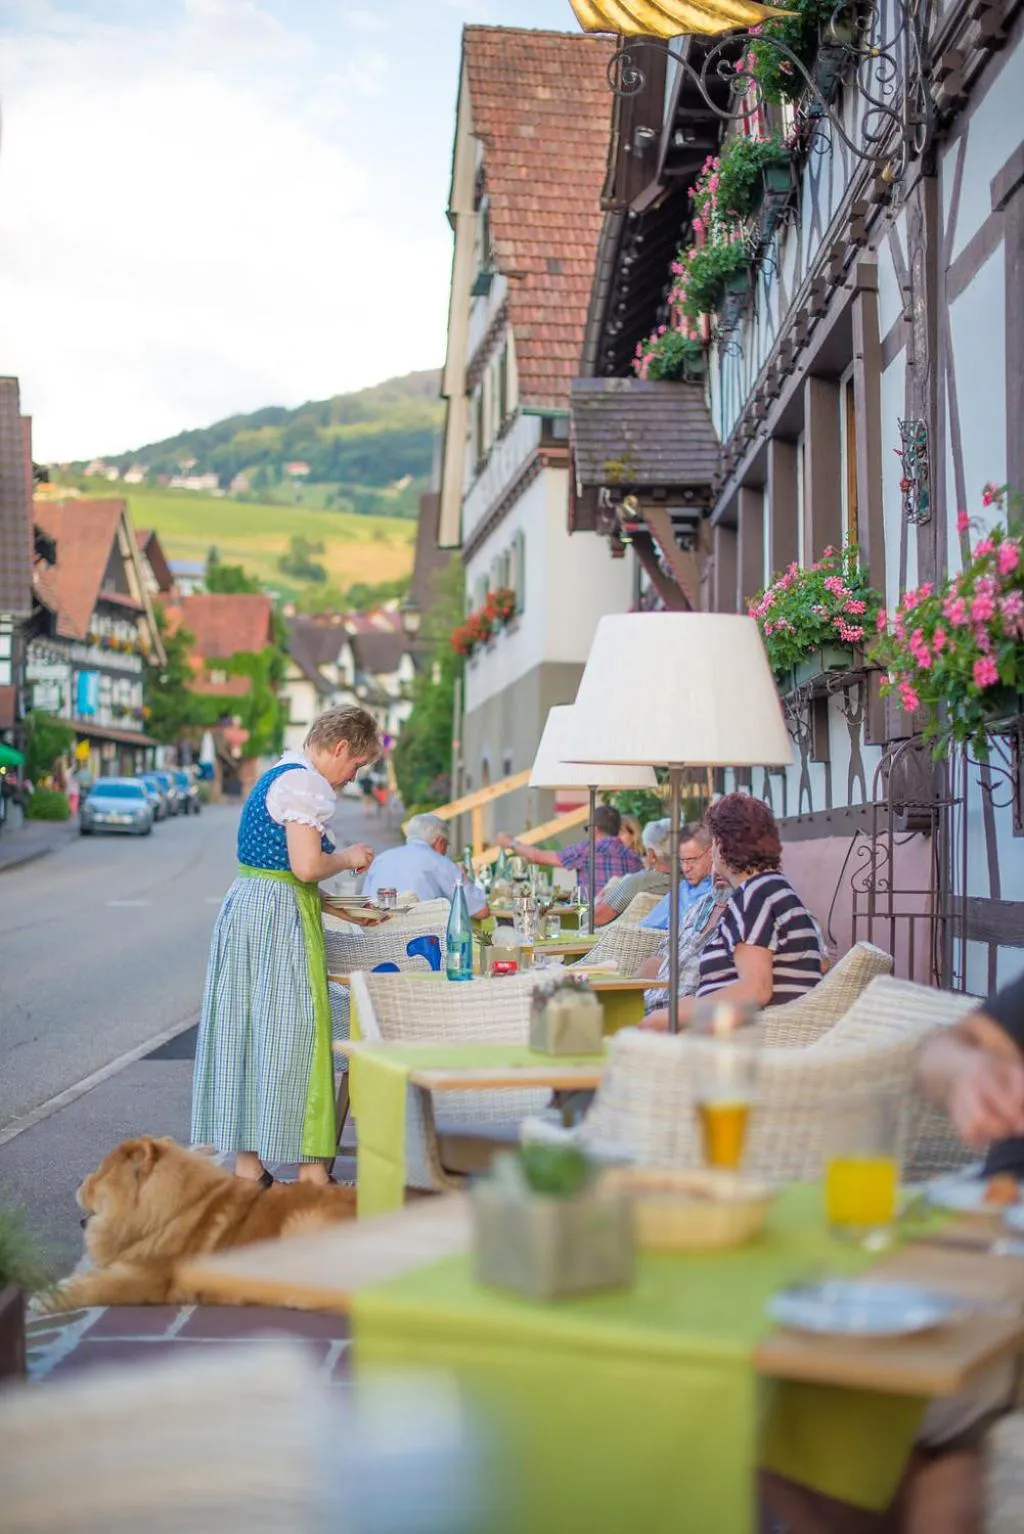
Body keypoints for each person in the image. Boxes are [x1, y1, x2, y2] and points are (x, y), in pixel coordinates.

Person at [761, 970, 1024, 1534]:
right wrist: (970, 1072)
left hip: (994, 1261)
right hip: (982, 1215)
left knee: (813, 1387)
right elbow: (942, 1053)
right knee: (769, 1344)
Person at [191, 706, 380, 1189]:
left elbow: (288, 871)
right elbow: (305, 867)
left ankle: (251, 1170)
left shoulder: (283, 772)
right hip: (276, 918)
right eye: (356, 765)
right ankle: (312, 1174)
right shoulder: (307, 786)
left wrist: (337, 908)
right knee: (297, 1035)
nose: (352, 776)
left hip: (256, 908)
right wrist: (350, 857)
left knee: (255, 1033)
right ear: (340, 748)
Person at [644, 794, 824, 1031]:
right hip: (752, 1033)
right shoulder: (770, 889)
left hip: (746, 1041)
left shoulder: (755, 895)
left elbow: (756, 989)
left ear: (722, 845)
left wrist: (677, 1014)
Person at [496, 804, 642, 895]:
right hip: (624, 925)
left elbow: (537, 856)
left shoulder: (587, 850)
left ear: (594, 829)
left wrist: (510, 842)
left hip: (593, 921)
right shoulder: (635, 858)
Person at [363, 812, 488, 917]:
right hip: (423, 941)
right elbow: (480, 910)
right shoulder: (438, 862)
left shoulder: (381, 859)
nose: (446, 851)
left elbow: (365, 906)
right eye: (446, 845)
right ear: (440, 842)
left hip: (378, 940)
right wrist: (463, 877)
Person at [637, 880, 730, 1014]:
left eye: (729, 862)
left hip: (681, 1016)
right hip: (649, 1005)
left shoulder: (745, 916)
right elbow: (660, 959)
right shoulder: (703, 902)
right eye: (716, 861)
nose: (720, 869)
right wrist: (625, 993)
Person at [592, 818, 674, 927]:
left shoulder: (640, 881)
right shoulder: (690, 883)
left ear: (652, 855)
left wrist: (602, 896)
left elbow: (597, 917)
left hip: (611, 940)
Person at [639, 821, 715, 931]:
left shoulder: (720, 890)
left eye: (691, 860)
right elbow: (646, 927)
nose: (686, 868)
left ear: (711, 853)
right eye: (682, 861)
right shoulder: (682, 888)